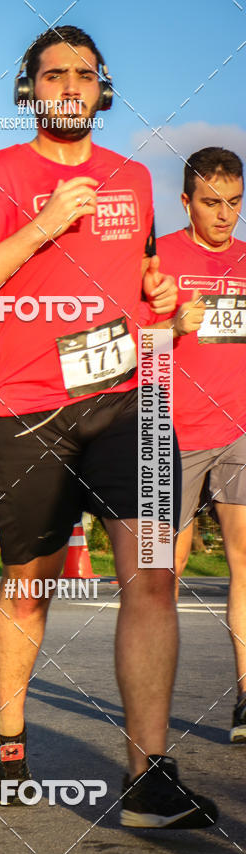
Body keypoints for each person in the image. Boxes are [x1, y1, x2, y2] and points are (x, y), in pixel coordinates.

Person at [0, 25, 218, 827]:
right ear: (29, 89)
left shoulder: (134, 178)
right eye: (53, 74)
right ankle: (9, 736)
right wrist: (43, 224)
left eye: (83, 75)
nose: (68, 87)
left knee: (152, 575)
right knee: (32, 587)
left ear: (103, 88)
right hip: (29, 409)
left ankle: (148, 778)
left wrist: (162, 297)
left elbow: (143, 276)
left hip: (130, 400)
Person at [157, 147, 246, 743]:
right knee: (164, 571)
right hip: (171, 433)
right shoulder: (159, 257)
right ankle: (151, 707)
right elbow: (124, 338)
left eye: (235, 203)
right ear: (186, 201)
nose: (224, 215)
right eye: (212, 203)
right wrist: (171, 326)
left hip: (240, 429)